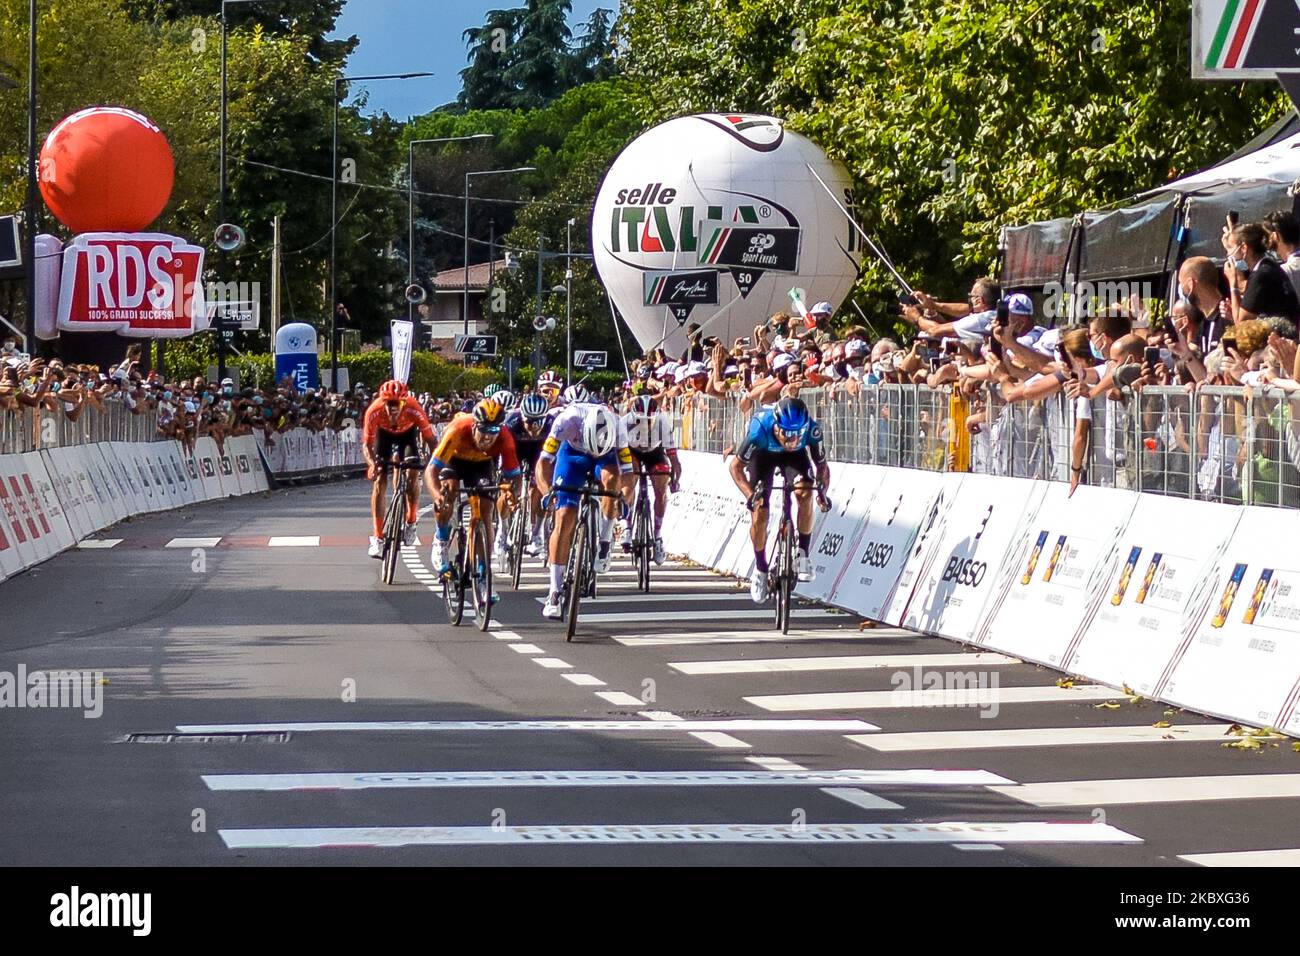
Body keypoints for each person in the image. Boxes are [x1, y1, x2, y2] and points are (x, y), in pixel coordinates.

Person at [535, 401, 633, 620]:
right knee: (564, 518)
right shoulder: (566, 421)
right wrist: (546, 492)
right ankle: (554, 591)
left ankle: (605, 541)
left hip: (605, 457)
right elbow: (543, 464)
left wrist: (624, 498)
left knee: (612, 482)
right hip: (572, 456)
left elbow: (628, 473)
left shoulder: (618, 427)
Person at [728, 396, 831, 603]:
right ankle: (760, 569)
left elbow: (822, 467)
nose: (792, 440)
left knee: (805, 493)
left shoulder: (812, 430)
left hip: (796, 458)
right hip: (764, 454)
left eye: (797, 434)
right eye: (787, 434)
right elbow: (735, 467)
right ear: (776, 426)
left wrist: (822, 493)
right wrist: (750, 495)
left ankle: (803, 554)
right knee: (760, 512)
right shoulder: (759, 429)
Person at [426, 399, 522, 601]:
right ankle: (441, 540)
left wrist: (512, 495)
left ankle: (483, 576)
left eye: (493, 430)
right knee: (448, 490)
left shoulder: (504, 438)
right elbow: (431, 470)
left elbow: (514, 476)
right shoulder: (458, 429)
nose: (488, 436)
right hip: (455, 460)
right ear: (474, 425)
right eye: (484, 429)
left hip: (482, 465)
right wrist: (436, 497)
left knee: (484, 510)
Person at [361, 380, 436, 558]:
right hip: (384, 436)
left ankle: (411, 521)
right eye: (389, 404)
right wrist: (373, 465)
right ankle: (378, 536)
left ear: (404, 402)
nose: (392, 409)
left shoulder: (414, 408)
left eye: (396, 404)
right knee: (379, 481)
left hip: (407, 436)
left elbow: (431, 440)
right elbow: (367, 445)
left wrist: (435, 465)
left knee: (412, 474)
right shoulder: (374, 411)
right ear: (383, 402)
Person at [620, 394, 681, 565]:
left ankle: (658, 536)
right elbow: (619, 456)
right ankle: (627, 525)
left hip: (655, 454)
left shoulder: (662, 422)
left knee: (661, 488)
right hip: (631, 453)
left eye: (649, 420)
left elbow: (674, 458)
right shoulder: (624, 423)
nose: (645, 424)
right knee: (630, 479)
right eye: (640, 420)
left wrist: (675, 478)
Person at [504, 392, 558, 556]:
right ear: (522, 416)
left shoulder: (552, 423)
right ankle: (502, 527)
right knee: (507, 486)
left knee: (541, 491)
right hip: (516, 452)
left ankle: (537, 533)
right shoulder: (511, 423)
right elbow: (503, 451)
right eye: (529, 422)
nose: (534, 426)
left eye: (538, 422)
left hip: (540, 453)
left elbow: (556, 454)